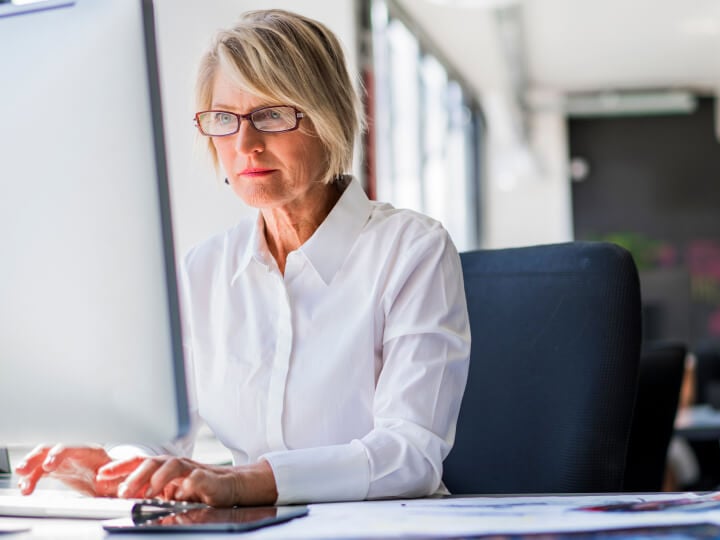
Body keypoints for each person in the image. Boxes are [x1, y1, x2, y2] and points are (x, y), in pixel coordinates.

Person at [15, 9, 470, 507]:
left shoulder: (412, 250)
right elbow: (161, 435)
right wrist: (118, 465)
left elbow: (411, 455)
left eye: (272, 115)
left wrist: (243, 481)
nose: (245, 144)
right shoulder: (205, 268)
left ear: (329, 117)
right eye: (224, 119)